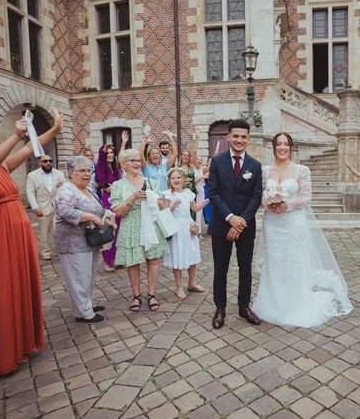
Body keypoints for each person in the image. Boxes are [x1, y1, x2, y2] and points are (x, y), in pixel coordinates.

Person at [0, 110, 63, 376]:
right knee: (5, 287)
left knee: (22, 283)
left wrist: (54, 129)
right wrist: (14, 136)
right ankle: (7, 354)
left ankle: (26, 342)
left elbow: (31, 146)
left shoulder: (2, 166)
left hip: (18, 229)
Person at [252, 133, 353, 327]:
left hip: (292, 223)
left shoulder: (301, 170)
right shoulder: (265, 170)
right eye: (278, 144)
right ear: (273, 147)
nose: (282, 147)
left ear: (291, 147)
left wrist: (286, 205)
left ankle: (295, 304)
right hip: (272, 223)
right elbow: (260, 196)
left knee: (294, 261)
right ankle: (273, 304)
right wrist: (269, 204)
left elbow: (306, 197)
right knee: (274, 261)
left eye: (286, 144)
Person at [207, 119, 263, 329]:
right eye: (236, 136)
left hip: (246, 227)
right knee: (220, 269)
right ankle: (220, 308)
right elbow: (213, 193)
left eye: (244, 137)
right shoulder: (217, 161)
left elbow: (256, 197)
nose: (240, 140)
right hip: (221, 225)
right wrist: (230, 218)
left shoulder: (255, 166)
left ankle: (244, 306)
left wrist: (240, 223)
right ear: (228, 137)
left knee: (245, 268)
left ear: (248, 138)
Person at [54, 156, 117, 323]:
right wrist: (88, 216)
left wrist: (107, 218)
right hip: (72, 241)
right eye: (82, 170)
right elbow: (65, 211)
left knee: (87, 275)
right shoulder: (67, 190)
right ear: (70, 172)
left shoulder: (87, 188)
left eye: (89, 170)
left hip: (90, 240)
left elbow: (99, 209)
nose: (87, 174)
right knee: (78, 277)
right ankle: (83, 313)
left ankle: (87, 304)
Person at [110, 149, 168, 313]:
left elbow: (161, 205)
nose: (137, 163)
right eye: (132, 161)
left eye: (138, 160)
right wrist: (132, 197)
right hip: (130, 227)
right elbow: (118, 212)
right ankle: (136, 295)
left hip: (150, 225)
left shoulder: (151, 182)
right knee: (134, 263)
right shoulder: (118, 185)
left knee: (153, 260)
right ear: (123, 165)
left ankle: (151, 294)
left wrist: (158, 201)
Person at [162, 168, 209, 299]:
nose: (176, 180)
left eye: (178, 177)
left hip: (188, 227)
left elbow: (194, 208)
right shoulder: (167, 195)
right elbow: (164, 214)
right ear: (169, 181)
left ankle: (192, 283)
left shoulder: (188, 193)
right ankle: (179, 286)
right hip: (176, 228)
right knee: (177, 255)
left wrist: (206, 202)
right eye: (173, 178)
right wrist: (171, 207)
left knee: (192, 254)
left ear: (183, 180)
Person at [26, 154, 65, 260]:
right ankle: (46, 252)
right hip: (42, 207)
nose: (48, 163)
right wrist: (35, 207)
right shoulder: (32, 175)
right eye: (45, 161)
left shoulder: (59, 174)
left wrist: (62, 186)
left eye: (50, 161)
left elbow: (66, 188)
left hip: (58, 206)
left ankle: (62, 250)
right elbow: (30, 192)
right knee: (44, 232)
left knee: (60, 230)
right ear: (40, 163)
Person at [96, 143, 122, 271]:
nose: (110, 155)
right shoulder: (101, 168)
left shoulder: (116, 168)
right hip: (107, 202)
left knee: (118, 231)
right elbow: (100, 162)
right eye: (108, 153)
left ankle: (114, 258)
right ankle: (107, 260)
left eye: (112, 153)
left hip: (118, 201)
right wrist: (103, 151)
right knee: (109, 230)